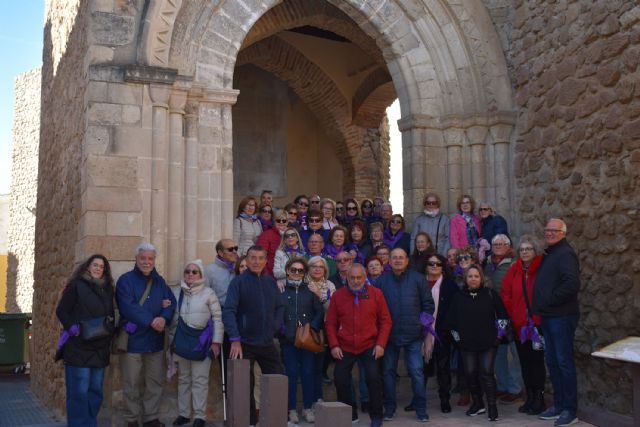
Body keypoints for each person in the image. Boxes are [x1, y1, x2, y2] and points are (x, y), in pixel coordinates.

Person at [222, 245, 285, 426]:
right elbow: (229, 311)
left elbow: (280, 307)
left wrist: (273, 327)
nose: (256, 262)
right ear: (247, 260)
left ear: (266, 261)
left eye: (260, 258)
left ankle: (273, 419)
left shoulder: (270, 282)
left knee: (277, 379)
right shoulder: (238, 283)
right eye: (253, 258)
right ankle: (248, 422)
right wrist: (234, 339)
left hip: (266, 342)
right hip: (244, 343)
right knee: (243, 386)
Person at [116, 243, 176, 427]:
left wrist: (164, 318)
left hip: (155, 341)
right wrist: (152, 320)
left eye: (150, 259)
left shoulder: (160, 281)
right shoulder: (125, 281)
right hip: (132, 341)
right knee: (131, 383)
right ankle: (132, 419)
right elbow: (128, 306)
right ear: (136, 259)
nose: (146, 262)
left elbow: (171, 302)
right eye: (143, 258)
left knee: (154, 382)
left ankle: (151, 418)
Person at [326, 264, 392, 427]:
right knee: (340, 379)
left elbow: (386, 321)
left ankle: (376, 416)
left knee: (373, 378)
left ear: (365, 277)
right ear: (346, 278)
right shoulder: (338, 296)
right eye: (352, 278)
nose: (355, 281)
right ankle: (349, 413)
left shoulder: (376, 294)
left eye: (359, 278)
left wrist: (381, 344)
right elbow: (330, 324)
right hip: (345, 346)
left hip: (369, 344)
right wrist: (334, 345)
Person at [55, 254, 115, 427]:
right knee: (78, 393)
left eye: (101, 266)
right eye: (95, 265)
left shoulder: (108, 289)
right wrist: (71, 327)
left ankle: (89, 424)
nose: (98, 268)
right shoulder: (76, 286)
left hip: (100, 348)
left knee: (95, 392)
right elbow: (62, 311)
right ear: (88, 267)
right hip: (78, 347)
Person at [376, 249, 435, 422]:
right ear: (389, 261)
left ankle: (421, 409)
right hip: (389, 336)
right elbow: (375, 308)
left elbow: (428, 305)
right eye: (394, 257)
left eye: (401, 257)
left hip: (413, 335)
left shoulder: (418, 279)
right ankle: (389, 408)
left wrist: (421, 326)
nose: (398, 260)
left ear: (407, 261)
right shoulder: (381, 281)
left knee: (417, 372)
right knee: (388, 372)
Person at [445, 265, 509, 422]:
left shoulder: (490, 294)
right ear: (465, 279)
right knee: (470, 374)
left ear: (481, 278)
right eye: (470, 276)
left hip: (488, 343)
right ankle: (478, 403)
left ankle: (492, 407)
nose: (473, 279)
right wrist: (458, 341)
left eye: (476, 276)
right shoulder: (458, 297)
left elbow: (502, 317)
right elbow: (451, 323)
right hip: (467, 345)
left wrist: (498, 338)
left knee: (487, 373)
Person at [532, 219, 580, 427]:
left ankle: (570, 410)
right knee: (552, 361)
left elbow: (572, 284)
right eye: (547, 230)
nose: (549, 233)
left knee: (563, 362)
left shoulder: (565, 254)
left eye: (554, 230)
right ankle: (559, 405)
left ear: (563, 233)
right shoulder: (551, 253)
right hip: (549, 316)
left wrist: (549, 300)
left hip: (561, 316)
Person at [170, 260, 223, 427]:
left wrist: (216, 342)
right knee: (184, 379)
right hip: (182, 343)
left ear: (201, 275)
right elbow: (173, 320)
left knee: (200, 380)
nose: (190, 274)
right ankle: (184, 414)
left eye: (194, 272)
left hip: (202, 342)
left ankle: (200, 416)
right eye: (187, 271)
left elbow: (217, 319)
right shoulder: (177, 292)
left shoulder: (209, 293)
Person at [501, 235, 547, 415]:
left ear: (535, 251)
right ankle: (530, 397)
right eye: (522, 249)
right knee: (525, 362)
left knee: (536, 362)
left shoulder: (541, 269)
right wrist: (514, 313)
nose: (525, 252)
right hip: (520, 326)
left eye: (528, 249)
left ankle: (539, 398)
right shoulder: (515, 270)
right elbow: (506, 293)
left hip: (537, 325)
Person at [278, 258, 324, 424]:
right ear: (288, 270)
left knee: (308, 373)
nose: (296, 273)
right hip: (288, 340)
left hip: (307, 341)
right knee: (290, 374)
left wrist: (311, 328)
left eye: (300, 270)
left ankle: (307, 408)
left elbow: (319, 313)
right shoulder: (281, 289)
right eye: (293, 270)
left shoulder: (311, 290)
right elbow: (276, 312)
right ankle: (290, 410)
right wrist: (281, 329)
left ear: (304, 273)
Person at [483, 234, 522, 404]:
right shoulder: (487, 264)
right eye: (495, 244)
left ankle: (516, 389)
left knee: (515, 354)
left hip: (511, 314)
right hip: (494, 316)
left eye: (501, 244)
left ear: (508, 246)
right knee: (498, 353)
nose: (497, 246)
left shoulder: (514, 262)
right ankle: (503, 386)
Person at [420, 254, 459, 414]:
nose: (434, 266)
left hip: (441, 334)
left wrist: (445, 328)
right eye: (431, 263)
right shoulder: (418, 282)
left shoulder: (450, 285)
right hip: (420, 333)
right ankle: (418, 400)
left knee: (443, 369)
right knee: (419, 369)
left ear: (443, 267)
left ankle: (445, 400)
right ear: (426, 265)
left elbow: (455, 309)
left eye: (438, 264)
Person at [306, 256, 337, 401]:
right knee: (307, 367)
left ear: (325, 269)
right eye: (314, 266)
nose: (317, 269)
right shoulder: (302, 282)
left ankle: (317, 399)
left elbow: (333, 310)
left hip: (322, 330)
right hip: (304, 329)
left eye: (320, 266)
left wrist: (319, 295)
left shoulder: (330, 285)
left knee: (318, 367)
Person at [204, 239, 238, 308]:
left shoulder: (240, 267)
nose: (234, 251)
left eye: (236, 248)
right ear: (220, 253)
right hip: (219, 312)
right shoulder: (210, 270)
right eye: (230, 249)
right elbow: (204, 296)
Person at [256, 209, 288, 277]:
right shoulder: (266, 235)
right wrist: (266, 275)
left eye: (284, 221)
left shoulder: (291, 235)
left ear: (287, 222)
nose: (281, 222)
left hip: (289, 275)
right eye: (278, 220)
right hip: (271, 275)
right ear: (274, 221)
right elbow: (260, 256)